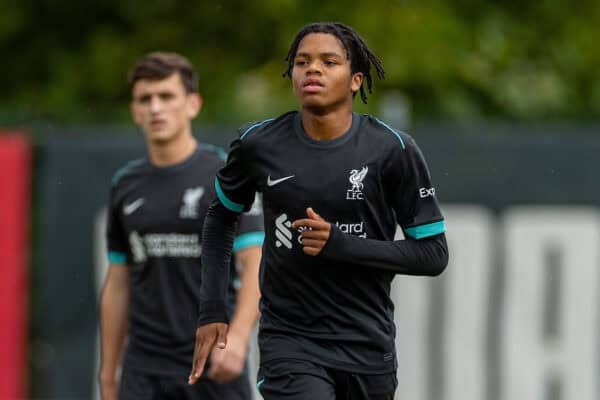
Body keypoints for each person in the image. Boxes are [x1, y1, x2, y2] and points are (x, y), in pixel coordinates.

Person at [189, 22, 449, 400]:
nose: (313, 69)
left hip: (367, 345)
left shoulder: (393, 150)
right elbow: (220, 218)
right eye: (302, 62)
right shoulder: (258, 145)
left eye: (329, 62)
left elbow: (433, 254)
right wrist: (212, 309)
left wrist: (342, 246)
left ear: (356, 80)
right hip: (291, 342)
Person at [99, 52, 263, 400]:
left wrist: (237, 338)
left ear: (192, 104)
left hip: (214, 366)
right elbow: (118, 283)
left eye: (167, 96)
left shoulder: (225, 176)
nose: (156, 108)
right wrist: (108, 373)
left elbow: (255, 264)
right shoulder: (125, 184)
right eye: (146, 99)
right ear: (134, 110)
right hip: (144, 371)